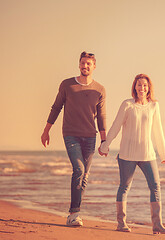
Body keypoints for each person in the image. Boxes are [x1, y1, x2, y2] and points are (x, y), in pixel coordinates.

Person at [98, 73, 165, 234]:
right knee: (124, 187)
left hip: (147, 154)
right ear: (134, 87)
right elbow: (116, 126)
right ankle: (121, 223)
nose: (142, 88)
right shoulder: (127, 104)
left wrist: (163, 154)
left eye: (144, 85)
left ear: (149, 88)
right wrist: (105, 145)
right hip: (127, 155)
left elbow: (158, 130)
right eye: (139, 85)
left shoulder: (154, 106)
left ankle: (157, 224)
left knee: (156, 187)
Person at [41, 51, 106, 227]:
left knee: (84, 174)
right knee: (79, 169)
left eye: (89, 64)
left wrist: (104, 140)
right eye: (83, 63)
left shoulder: (99, 89)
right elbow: (56, 107)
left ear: (94, 66)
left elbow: (101, 116)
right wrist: (46, 130)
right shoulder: (67, 85)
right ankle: (74, 214)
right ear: (79, 64)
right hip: (71, 134)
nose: (85, 66)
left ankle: (75, 212)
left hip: (90, 136)